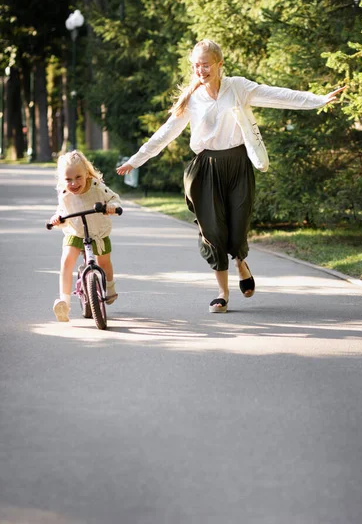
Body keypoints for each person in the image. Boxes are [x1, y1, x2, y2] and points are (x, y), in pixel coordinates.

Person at [116, 39, 345, 313]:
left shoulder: (238, 88)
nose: (201, 70)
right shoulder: (191, 99)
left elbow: (277, 95)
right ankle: (222, 293)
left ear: (219, 64)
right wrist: (136, 159)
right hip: (206, 168)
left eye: (206, 64)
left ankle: (240, 262)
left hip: (237, 164)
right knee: (213, 231)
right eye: (196, 65)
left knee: (237, 227)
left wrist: (318, 100)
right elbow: (166, 133)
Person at [50, 150, 122, 322]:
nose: (74, 183)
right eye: (68, 179)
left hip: (98, 232)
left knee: (104, 262)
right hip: (75, 231)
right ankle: (64, 303)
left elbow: (114, 198)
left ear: (87, 174)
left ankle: (110, 288)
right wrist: (56, 219)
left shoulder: (97, 187)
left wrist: (111, 206)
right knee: (67, 261)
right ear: (62, 180)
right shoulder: (64, 194)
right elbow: (62, 211)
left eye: (78, 177)